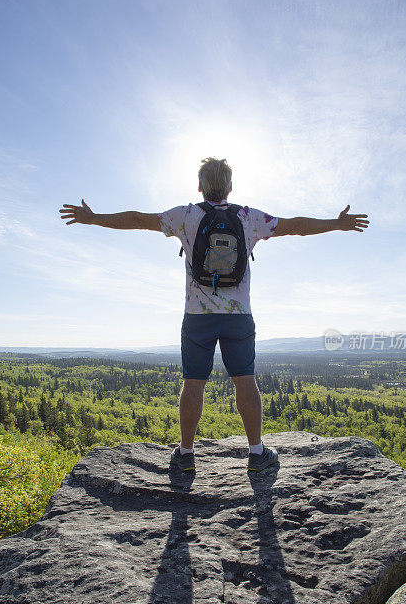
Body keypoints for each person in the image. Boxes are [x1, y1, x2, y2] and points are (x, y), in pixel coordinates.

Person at [59, 157, 369, 473]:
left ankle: (186, 455)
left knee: (193, 382)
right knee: (245, 380)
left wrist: (94, 218)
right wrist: (336, 223)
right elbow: (297, 226)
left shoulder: (185, 216)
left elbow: (138, 219)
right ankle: (256, 453)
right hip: (238, 316)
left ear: (200, 187)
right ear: (230, 188)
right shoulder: (249, 217)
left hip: (197, 316)